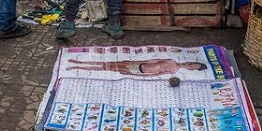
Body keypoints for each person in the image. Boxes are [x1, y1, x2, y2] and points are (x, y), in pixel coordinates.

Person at [65, 58, 208, 76]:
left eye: (193, 67)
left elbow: (156, 74)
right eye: (192, 63)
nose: (190, 66)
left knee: (107, 68)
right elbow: (154, 60)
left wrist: (134, 74)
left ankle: (77, 67)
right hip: (139, 64)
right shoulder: (171, 60)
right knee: (107, 63)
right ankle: (78, 63)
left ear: (190, 69)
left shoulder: (173, 70)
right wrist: (136, 62)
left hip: (138, 70)